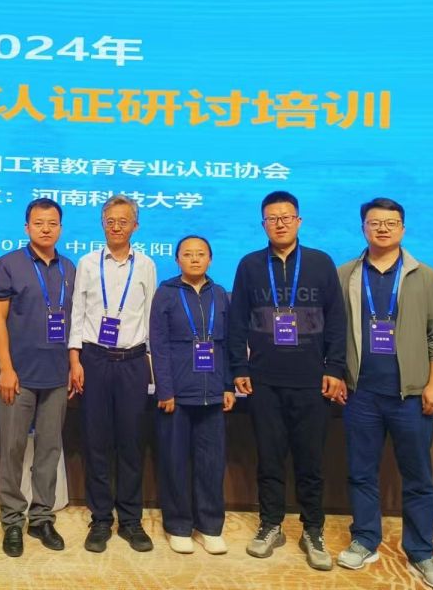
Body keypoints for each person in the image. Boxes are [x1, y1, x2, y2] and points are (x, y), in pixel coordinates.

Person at [335, 198, 433, 589]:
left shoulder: (425, 275)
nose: (382, 228)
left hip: (412, 396)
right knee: (361, 473)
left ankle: (421, 551)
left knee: (418, 477)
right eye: (374, 222)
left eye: (391, 222)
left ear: (403, 228)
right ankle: (365, 539)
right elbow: (333, 333)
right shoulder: (345, 274)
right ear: (363, 228)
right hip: (361, 395)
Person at [227, 190, 346, 571]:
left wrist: (335, 367)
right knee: (269, 458)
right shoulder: (249, 265)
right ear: (263, 223)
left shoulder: (320, 262)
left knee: (310, 461)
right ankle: (271, 524)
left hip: (311, 380)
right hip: (263, 380)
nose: (279, 224)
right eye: (272, 218)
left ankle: (313, 529)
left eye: (286, 217)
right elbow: (236, 321)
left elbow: (337, 319)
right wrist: (239, 368)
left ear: (298, 221)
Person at [68, 194, 158, 553]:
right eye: (110, 221)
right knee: (97, 442)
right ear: (102, 224)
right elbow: (77, 313)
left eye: (124, 221)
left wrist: (151, 366)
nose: (116, 227)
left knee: (131, 443)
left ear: (135, 225)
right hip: (94, 360)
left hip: (133, 362)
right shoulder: (88, 263)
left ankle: (131, 520)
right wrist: (75, 360)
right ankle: (101, 519)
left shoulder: (146, 265)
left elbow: (150, 319)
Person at [0, 198, 76, 558]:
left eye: (52, 223)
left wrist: (73, 365)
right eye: (38, 223)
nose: (45, 229)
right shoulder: (9, 264)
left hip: (56, 375)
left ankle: (41, 517)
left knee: (49, 449)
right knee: (12, 449)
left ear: (60, 228)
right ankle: (12, 519)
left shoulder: (69, 267)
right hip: (19, 375)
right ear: (27, 227)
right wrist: (6, 368)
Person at [149, 235, 233, 555]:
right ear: (177, 259)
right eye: (187, 254)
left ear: (210, 259)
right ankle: (178, 526)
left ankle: (210, 526)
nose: (194, 259)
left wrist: (228, 386)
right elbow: (158, 344)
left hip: (213, 393)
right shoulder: (166, 293)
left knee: (211, 463)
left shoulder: (220, 294)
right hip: (177, 394)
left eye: (200, 254)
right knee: (175, 463)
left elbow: (229, 344)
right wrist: (165, 389)